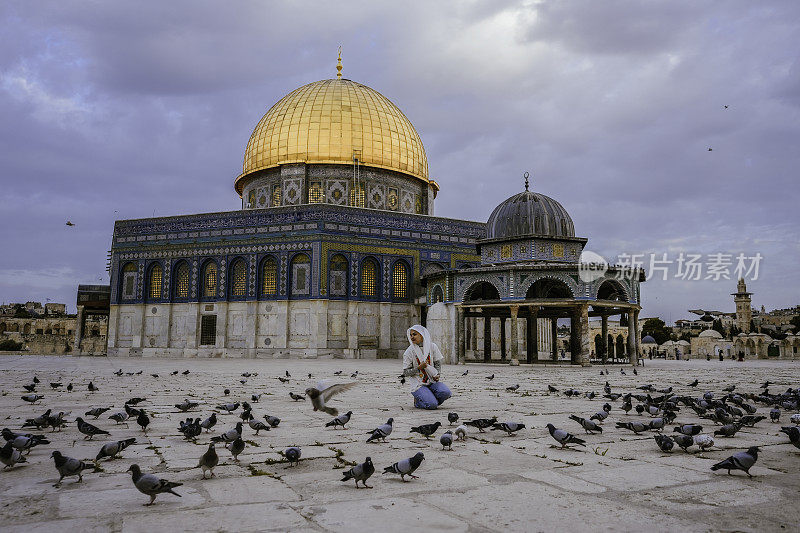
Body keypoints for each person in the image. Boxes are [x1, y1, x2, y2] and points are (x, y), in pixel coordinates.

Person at [402, 325, 451, 410]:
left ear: (421, 335)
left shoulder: (432, 347)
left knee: (446, 392)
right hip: (418, 384)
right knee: (432, 405)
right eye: (411, 335)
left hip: (432, 381)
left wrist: (437, 374)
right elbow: (405, 373)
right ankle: (418, 402)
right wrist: (418, 368)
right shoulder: (409, 351)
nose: (412, 337)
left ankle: (429, 398)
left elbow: (437, 364)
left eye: (414, 334)